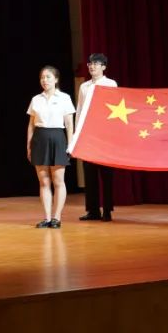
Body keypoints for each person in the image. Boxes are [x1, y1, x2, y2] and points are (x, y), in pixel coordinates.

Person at [26, 65, 75, 229]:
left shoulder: (64, 98)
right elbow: (31, 125)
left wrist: (70, 144)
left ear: (56, 79)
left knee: (58, 180)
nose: (44, 80)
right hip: (40, 139)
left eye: (48, 77)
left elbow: (69, 124)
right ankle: (47, 218)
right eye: (42, 77)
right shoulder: (36, 99)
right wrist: (29, 145)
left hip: (58, 138)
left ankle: (56, 217)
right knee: (44, 181)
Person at [74, 53, 118, 222]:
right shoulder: (84, 87)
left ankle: (107, 210)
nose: (92, 66)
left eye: (96, 63)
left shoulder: (110, 84)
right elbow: (79, 110)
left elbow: (114, 108)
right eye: (90, 63)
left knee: (106, 175)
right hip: (88, 135)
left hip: (105, 134)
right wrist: (77, 133)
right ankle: (93, 210)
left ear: (104, 67)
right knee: (90, 174)